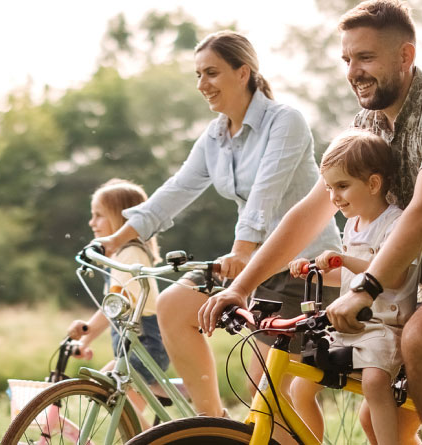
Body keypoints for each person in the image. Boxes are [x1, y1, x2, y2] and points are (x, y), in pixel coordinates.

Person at [198, 2, 422, 444]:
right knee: (381, 422)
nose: (354, 71)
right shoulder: (368, 125)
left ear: (405, 57)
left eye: (366, 58)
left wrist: (366, 289)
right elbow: (312, 210)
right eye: (347, 60)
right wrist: (242, 287)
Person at [92, 30, 341, 418]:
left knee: (272, 393)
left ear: (243, 73)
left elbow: (265, 195)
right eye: (197, 75)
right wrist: (117, 238)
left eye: (211, 73)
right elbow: (177, 188)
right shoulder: (216, 136)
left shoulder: (285, 121)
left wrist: (242, 250)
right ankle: (213, 424)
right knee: (174, 304)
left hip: (302, 267)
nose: (202, 85)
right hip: (253, 264)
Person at [286, 129, 421, 445]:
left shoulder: (395, 223)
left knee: (375, 383)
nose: (334, 196)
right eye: (330, 187)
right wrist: (314, 272)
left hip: (386, 327)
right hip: (350, 327)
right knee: (300, 385)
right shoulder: (353, 224)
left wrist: (343, 259)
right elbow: (351, 281)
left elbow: (395, 276)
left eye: (343, 186)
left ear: (373, 184)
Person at [66, 178, 168, 423]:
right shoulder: (122, 256)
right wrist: (85, 338)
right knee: (117, 405)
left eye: (99, 215)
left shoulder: (129, 254)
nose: (92, 223)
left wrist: (86, 333)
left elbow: (114, 307)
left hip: (145, 346)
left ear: (121, 219)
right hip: (136, 347)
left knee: (113, 400)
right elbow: (113, 307)